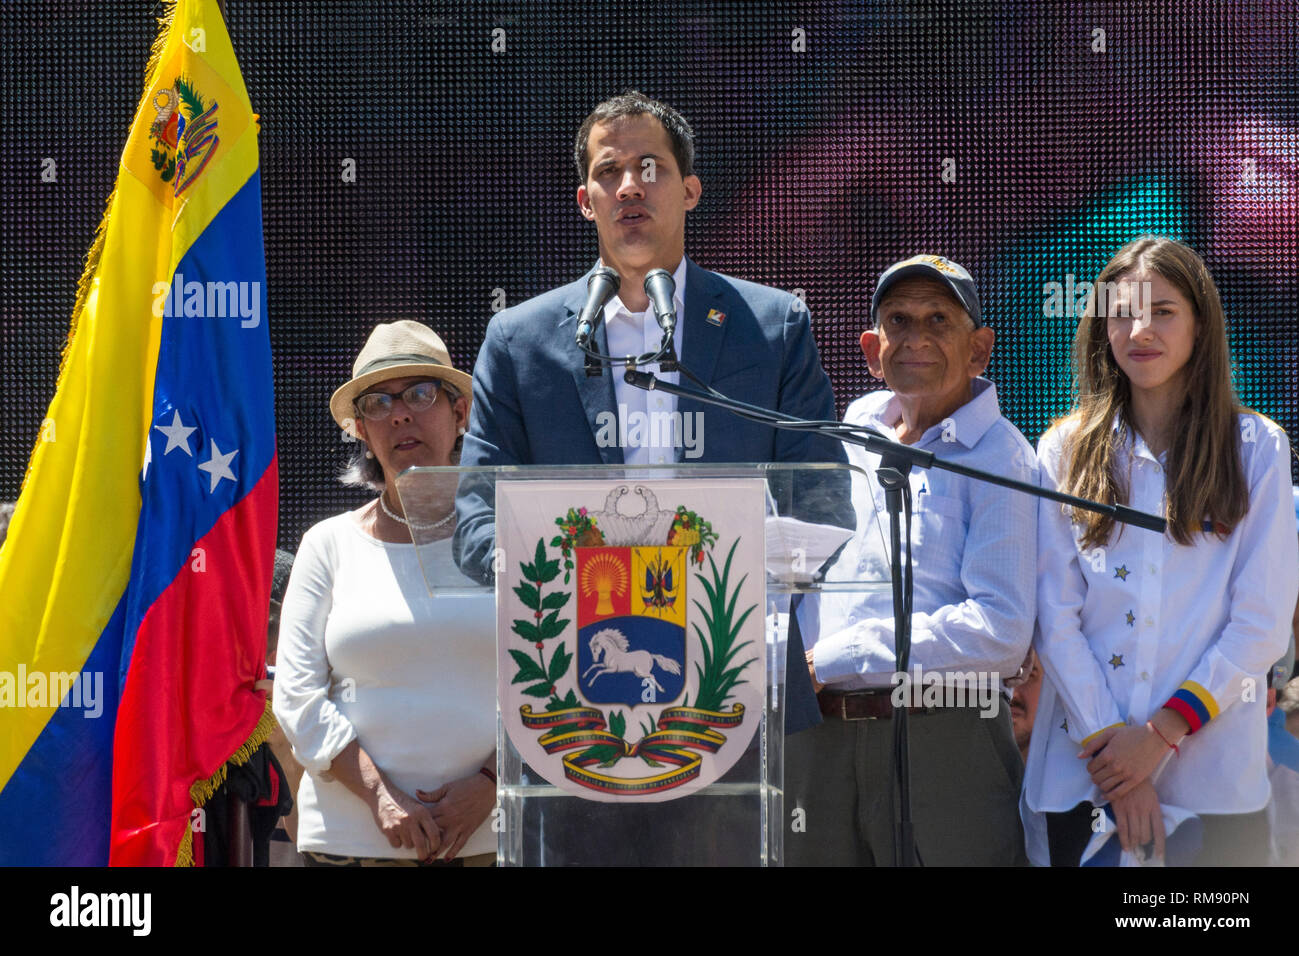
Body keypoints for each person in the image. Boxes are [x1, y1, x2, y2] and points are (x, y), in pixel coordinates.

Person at [455, 91, 852, 864]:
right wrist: (556, 570)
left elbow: (824, 499)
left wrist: (729, 569)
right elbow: (473, 518)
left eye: (650, 168)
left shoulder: (768, 327)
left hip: (733, 693)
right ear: (585, 200)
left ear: (690, 189)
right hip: (563, 706)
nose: (630, 186)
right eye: (610, 172)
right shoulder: (522, 340)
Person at [1022, 236, 1298, 867]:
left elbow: (1261, 623)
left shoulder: (1256, 447)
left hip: (1215, 786)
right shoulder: (1063, 449)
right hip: (1080, 777)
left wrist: (1160, 736)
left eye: (1164, 311)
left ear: (1201, 325)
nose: (1140, 329)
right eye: (1122, 312)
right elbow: (1053, 615)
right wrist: (1117, 755)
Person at [786, 254, 1038, 866]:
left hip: (944, 738)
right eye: (898, 321)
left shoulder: (1002, 458)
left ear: (980, 350)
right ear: (872, 349)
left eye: (939, 320)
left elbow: (1000, 631)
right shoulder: (850, 432)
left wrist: (834, 658)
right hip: (820, 736)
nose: (916, 338)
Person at [273, 320, 498, 866]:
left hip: (492, 841)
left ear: (460, 413)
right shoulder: (327, 544)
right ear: (361, 430)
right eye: (377, 403)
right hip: (350, 848)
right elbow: (297, 696)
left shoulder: (513, 539)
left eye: (420, 394)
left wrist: (491, 785)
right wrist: (377, 791)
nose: (400, 414)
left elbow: (555, 681)